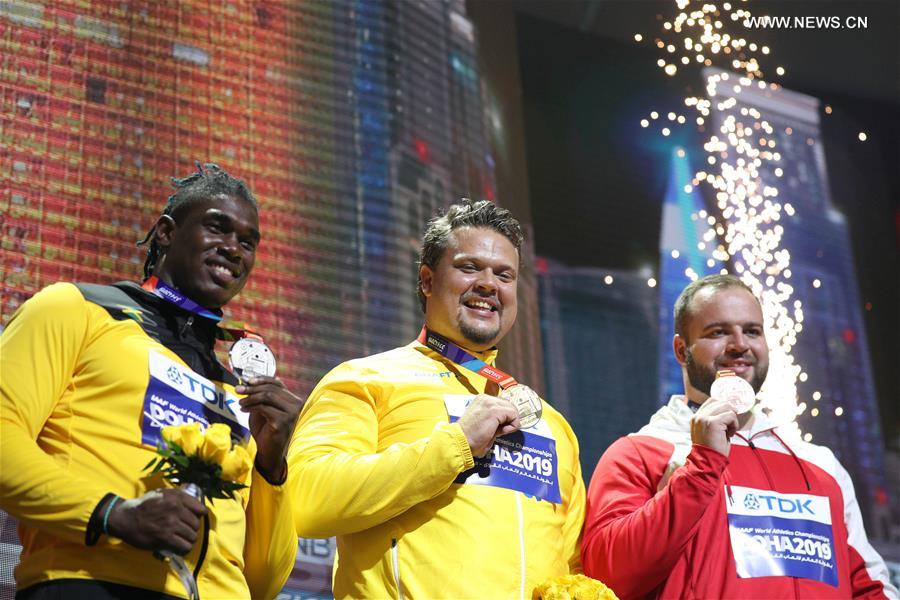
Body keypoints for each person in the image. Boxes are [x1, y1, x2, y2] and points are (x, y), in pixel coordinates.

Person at [0, 163, 303, 599]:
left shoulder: (237, 392)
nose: (233, 249)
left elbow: (263, 581)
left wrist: (271, 468)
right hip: (91, 586)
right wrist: (113, 515)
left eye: (247, 242)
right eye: (217, 228)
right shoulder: (77, 309)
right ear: (164, 233)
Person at [287, 199, 585, 598]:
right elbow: (306, 499)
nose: (488, 284)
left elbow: (573, 565)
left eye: (504, 275)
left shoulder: (551, 424)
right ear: (427, 281)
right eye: (468, 267)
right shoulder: (365, 380)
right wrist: (455, 445)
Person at [581, 274, 898, 599]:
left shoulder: (819, 464)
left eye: (752, 331)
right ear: (681, 349)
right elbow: (606, 575)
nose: (740, 344)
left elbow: (868, 585)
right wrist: (701, 467)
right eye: (718, 332)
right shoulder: (639, 452)